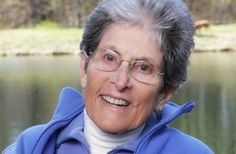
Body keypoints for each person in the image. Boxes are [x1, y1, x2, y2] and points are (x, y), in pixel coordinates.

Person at [3, 0, 214, 153]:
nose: (121, 82)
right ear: (84, 67)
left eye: (143, 68)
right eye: (110, 58)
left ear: (165, 93)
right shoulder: (29, 146)